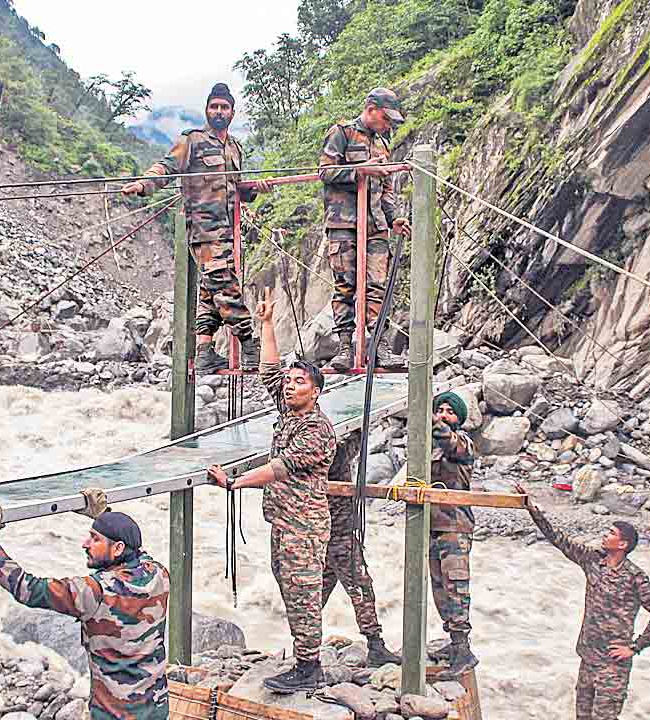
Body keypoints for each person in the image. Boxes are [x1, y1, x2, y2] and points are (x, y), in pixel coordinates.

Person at [207, 287, 337, 692]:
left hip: (304, 528)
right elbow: (268, 371)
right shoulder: (289, 413)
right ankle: (305, 658)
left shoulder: (316, 429)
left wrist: (234, 482)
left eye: (300, 382)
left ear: (315, 392)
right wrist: (265, 324)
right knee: (293, 591)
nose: (290, 386)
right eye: (291, 381)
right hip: (286, 525)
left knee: (302, 595)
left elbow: (278, 469)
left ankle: (309, 668)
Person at [0, 489, 170, 720]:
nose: (85, 544)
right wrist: (103, 515)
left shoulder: (94, 591)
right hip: (156, 707)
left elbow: (26, 587)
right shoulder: (158, 573)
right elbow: (135, 549)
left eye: (95, 539)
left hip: (114, 713)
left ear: (117, 548)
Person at [122, 82, 271, 374]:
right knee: (224, 285)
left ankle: (204, 352)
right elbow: (166, 166)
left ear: (232, 112)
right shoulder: (192, 141)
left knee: (209, 292)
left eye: (224, 107)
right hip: (204, 230)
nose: (219, 112)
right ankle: (250, 344)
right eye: (214, 106)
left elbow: (236, 187)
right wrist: (144, 184)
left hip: (228, 229)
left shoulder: (234, 147)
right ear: (206, 110)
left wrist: (255, 188)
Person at [513, 482, 650, 720]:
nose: (604, 536)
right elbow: (558, 539)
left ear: (622, 544)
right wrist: (532, 509)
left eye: (610, 534)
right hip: (588, 658)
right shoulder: (592, 561)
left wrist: (635, 647)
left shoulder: (635, 577)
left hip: (612, 665)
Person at [317, 87, 411, 371]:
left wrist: (394, 217)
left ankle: (379, 346)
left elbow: (386, 189)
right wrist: (360, 170)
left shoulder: (383, 143)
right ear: (370, 109)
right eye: (385, 118)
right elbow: (325, 172)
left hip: (376, 225)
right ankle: (345, 347)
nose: (388, 124)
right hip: (344, 224)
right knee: (345, 286)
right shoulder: (342, 133)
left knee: (377, 286)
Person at [321, 429, 403, 667]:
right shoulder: (331, 452)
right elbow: (353, 444)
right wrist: (360, 423)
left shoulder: (309, 451)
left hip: (322, 534)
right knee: (361, 587)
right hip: (339, 535)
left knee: (317, 593)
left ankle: (304, 647)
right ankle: (375, 645)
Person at [424, 391, 478, 677]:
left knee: (456, 587)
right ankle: (453, 642)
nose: (443, 415)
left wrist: (426, 414)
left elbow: (449, 440)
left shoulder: (462, 443)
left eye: (449, 411)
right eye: (439, 409)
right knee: (440, 588)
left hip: (454, 527)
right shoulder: (430, 448)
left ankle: (462, 648)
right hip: (432, 526)